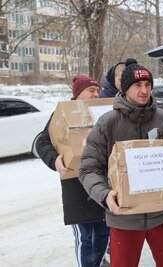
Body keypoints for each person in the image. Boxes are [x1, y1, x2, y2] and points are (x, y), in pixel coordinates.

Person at [79, 60, 163, 267]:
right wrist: (105, 194)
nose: (144, 90)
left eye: (148, 85)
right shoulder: (108, 122)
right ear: (125, 88)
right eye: (138, 85)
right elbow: (88, 167)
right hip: (124, 219)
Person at [36, 75, 109, 267]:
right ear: (78, 94)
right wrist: (55, 161)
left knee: (103, 233)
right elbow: (41, 141)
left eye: (98, 90)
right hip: (76, 186)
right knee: (84, 236)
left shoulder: (104, 112)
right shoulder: (63, 114)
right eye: (91, 90)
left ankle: (98, 263)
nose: (96, 94)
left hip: (103, 182)